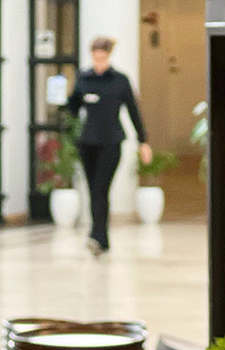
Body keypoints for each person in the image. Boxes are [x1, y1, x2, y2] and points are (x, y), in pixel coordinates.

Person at [66, 36, 151, 255]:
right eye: (96, 58)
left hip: (111, 141)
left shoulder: (120, 80)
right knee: (93, 189)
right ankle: (99, 237)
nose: (99, 62)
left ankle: (97, 235)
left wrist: (143, 141)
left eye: (102, 58)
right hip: (88, 141)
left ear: (108, 56)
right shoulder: (83, 78)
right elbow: (73, 109)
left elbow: (133, 111)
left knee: (101, 188)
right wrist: (64, 99)